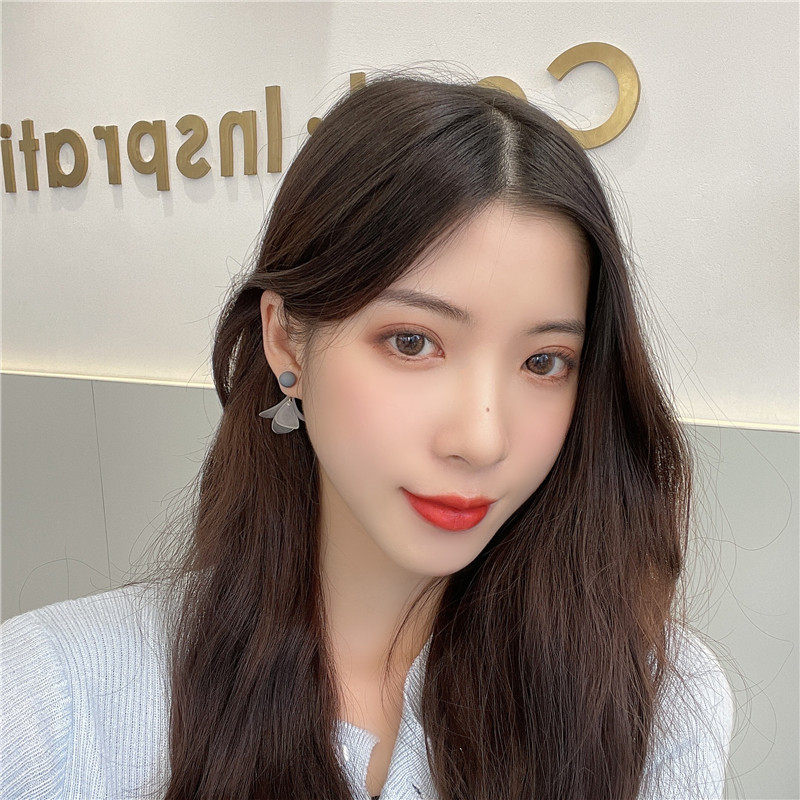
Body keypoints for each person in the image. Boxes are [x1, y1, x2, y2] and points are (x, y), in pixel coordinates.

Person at [0, 70, 734, 800]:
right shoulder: (52, 706)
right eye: (412, 342)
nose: (481, 440)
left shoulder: (656, 704)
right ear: (286, 340)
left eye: (544, 362)